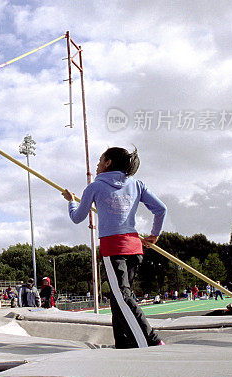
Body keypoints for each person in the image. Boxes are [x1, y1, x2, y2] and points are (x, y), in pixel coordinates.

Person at [63, 146, 167, 349]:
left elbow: (77, 218)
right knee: (118, 298)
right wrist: (155, 234)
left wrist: (71, 201)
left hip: (114, 249)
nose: (97, 164)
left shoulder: (95, 186)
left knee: (122, 297)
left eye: (100, 160)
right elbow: (161, 209)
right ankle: (123, 343)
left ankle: (152, 341)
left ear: (108, 162)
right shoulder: (136, 184)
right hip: (135, 249)